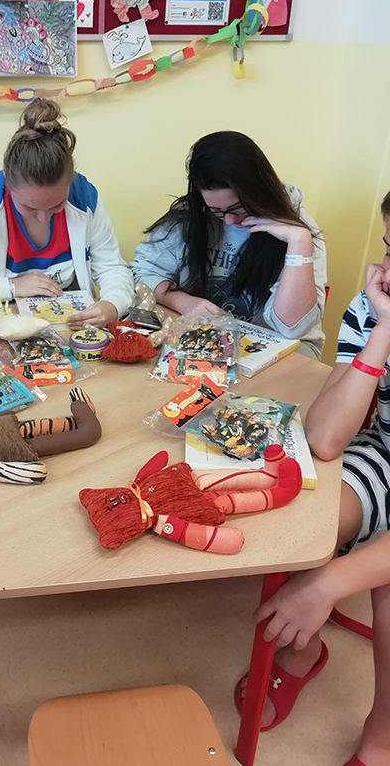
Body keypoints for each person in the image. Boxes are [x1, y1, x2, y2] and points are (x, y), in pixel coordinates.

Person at [236, 192, 390, 766]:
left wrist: (327, 584)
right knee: (304, 500)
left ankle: (382, 735)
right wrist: (382, 332)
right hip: (386, 454)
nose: (388, 269)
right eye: (389, 247)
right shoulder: (374, 304)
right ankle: (304, 653)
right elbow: (325, 437)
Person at [0, 99, 134, 329]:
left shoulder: (84, 198)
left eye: (57, 205)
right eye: (29, 208)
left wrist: (113, 303)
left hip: (67, 330)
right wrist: (12, 287)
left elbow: (112, 268)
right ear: (7, 182)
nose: (44, 218)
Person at [131, 131, 326, 359]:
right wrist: (184, 302)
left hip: (281, 349)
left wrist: (299, 244)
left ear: (258, 190)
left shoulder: (298, 231)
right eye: (216, 211)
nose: (230, 221)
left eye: (237, 208)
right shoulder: (192, 216)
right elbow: (142, 273)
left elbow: (292, 328)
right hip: (209, 340)